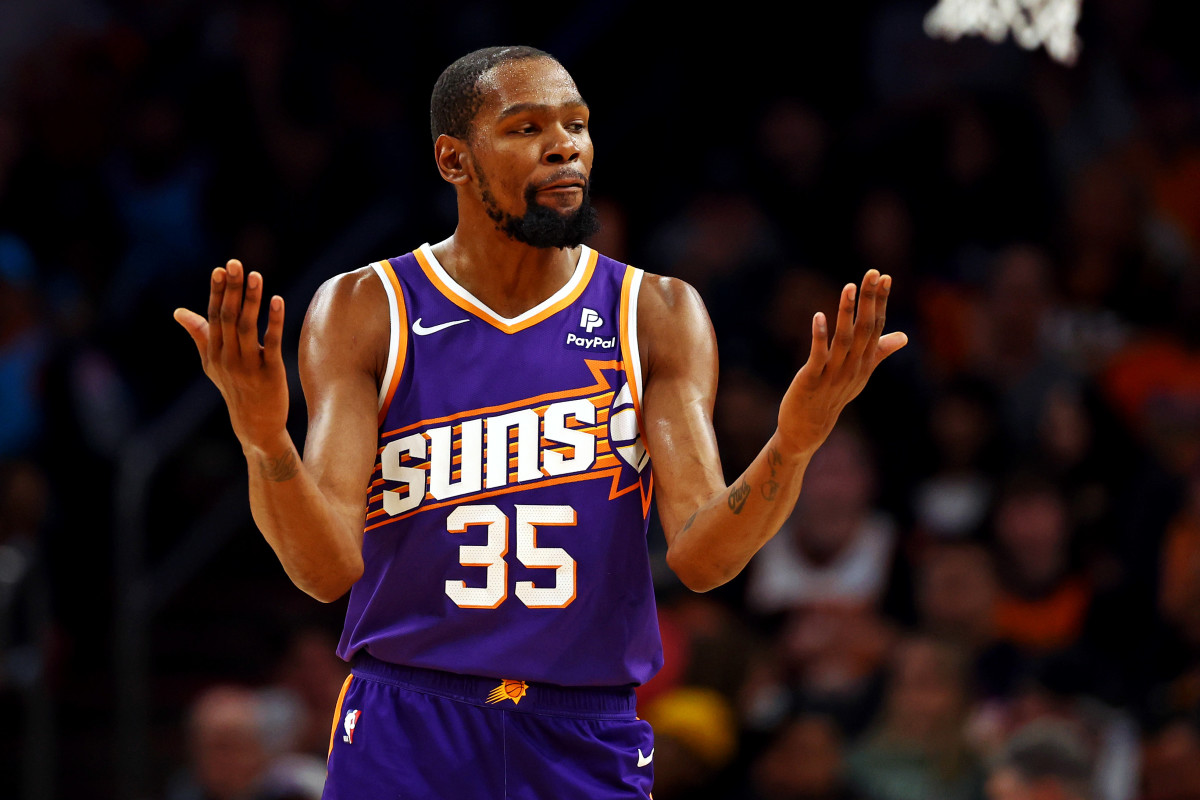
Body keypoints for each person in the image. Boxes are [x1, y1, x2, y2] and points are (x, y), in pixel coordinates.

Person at [173, 45, 907, 799]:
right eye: (526, 127)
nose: (565, 145)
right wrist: (263, 437)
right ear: (454, 160)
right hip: (408, 720)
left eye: (577, 125)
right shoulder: (368, 307)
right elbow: (323, 569)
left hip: (582, 726)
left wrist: (795, 442)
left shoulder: (655, 313)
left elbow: (703, 559)